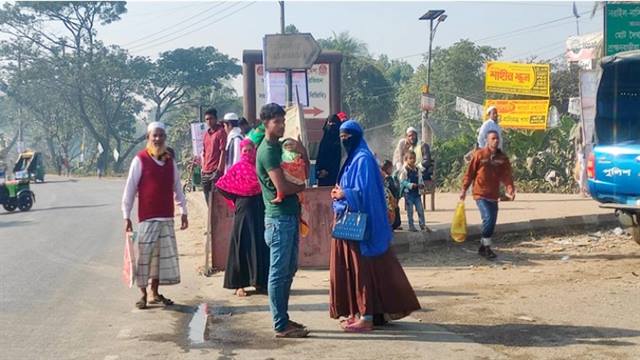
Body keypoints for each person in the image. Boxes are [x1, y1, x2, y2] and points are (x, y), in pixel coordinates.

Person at [330, 119, 421, 333]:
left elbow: (367, 193)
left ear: (356, 136)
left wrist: (345, 194)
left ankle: (367, 316)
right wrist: (339, 192)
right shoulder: (352, 159)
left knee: (362, 270)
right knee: (353, 269)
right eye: (341, 136)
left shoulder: (363, 159)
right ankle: (362, 312)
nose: (344, 140)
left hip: (363, 226)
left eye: (347, 136)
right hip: (349, 222)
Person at [256, 103, 310, 338]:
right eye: (276, 122)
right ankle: (280, 324)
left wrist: (301, 149)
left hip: (289, 216)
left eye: (282, 121)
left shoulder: (281, 147)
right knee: (278, 272)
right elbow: (283, 186)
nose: (281, 125)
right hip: (278, 220)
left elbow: (303, 167)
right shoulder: (267, 151)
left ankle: (284, 318)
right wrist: (300, 187)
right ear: (265, 123)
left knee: (289, 269)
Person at [122, 121, 188, 310]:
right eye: (154, 136)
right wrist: (126, 215)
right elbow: (129, 189)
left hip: (167, 217)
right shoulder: (140, 160)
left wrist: (183, 211)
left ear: (165, 138)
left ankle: (155, 292)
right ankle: (143, 295)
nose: (158, 139)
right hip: (148, 218)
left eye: (161, 135)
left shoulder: (170, 162)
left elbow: (177, 187)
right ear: (148, 138)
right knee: (145, 257)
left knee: (161, 258)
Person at [215, 139, 270, 297]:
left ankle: (259, 282)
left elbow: (267, 185)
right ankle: (239, 285)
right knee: (242, 244)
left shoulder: (259, 168)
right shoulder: (237, 169)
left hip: (259, 209)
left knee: (260, 243)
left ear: (255, 151)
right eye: (245, 151)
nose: (248, 153)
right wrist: (235, 197)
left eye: (250, 150)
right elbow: (221, 185)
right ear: (241, 152)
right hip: (243, 210)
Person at [460, 130, 515, 260]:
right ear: (487, 140)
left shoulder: (502, 158)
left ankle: (483, 247)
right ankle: (487, 247)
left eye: (497, 139)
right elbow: (470, 173)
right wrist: (463, 189)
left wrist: (510, 188)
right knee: (488, 218)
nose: (496, 141)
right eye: (493, 139)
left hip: (494, 195)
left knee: (492, 222)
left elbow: (506, 175)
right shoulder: (479, 155)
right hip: (480, 193)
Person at [397, 151, 428, 232]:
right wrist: (410, 185)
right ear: (406, 160)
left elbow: (420, 179)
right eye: (410, 158)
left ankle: (422, 225)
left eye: (414, 158)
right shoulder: (405, 170)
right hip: (409, 194)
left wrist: (421, 185)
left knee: (420, 210)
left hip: (417, 194)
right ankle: (411, 226)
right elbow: (402, 181)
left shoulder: (417, 169)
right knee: (410, 211)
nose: (412, 160)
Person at [201, 108, 226, 205]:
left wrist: (219, 170)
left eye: (211, 118)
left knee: (216, 201)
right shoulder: (206, 134)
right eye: (207, 119)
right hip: (206, 171)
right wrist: (203, 168)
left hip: (215, 172)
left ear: (216, 119)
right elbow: (204, 152)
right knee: (208, 201)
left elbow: (223, 152)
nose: (209, 121)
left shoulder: (221, 132)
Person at [315, 112, 346, 186]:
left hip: (339, 178)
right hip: (323, 179)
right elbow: (319, 159)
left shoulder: (343, 142)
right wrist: (319, 171)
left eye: (334, 123)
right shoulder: (323, 142)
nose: (332, 125)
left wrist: (330, 171)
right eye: (330, 123)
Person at [381, 160, 401, 231]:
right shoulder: (387, 179)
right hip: (390, 200)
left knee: (395, 210)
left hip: (392, 198)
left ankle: (393, 225)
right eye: (391, 168)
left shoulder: (390, 178)